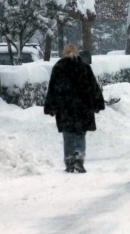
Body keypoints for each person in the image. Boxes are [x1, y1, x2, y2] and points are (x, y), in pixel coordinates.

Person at [44, 44, 105, 173]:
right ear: (77, 53)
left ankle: (69, 161)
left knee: (68, 134)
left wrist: (51, 106)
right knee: (80, 133)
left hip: (65, 108)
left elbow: (53, 88)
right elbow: (93, 87)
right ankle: (79, 158)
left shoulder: (59, 68)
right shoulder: (84, 67)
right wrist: (97, 103)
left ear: (64, 53)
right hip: (82, 107)